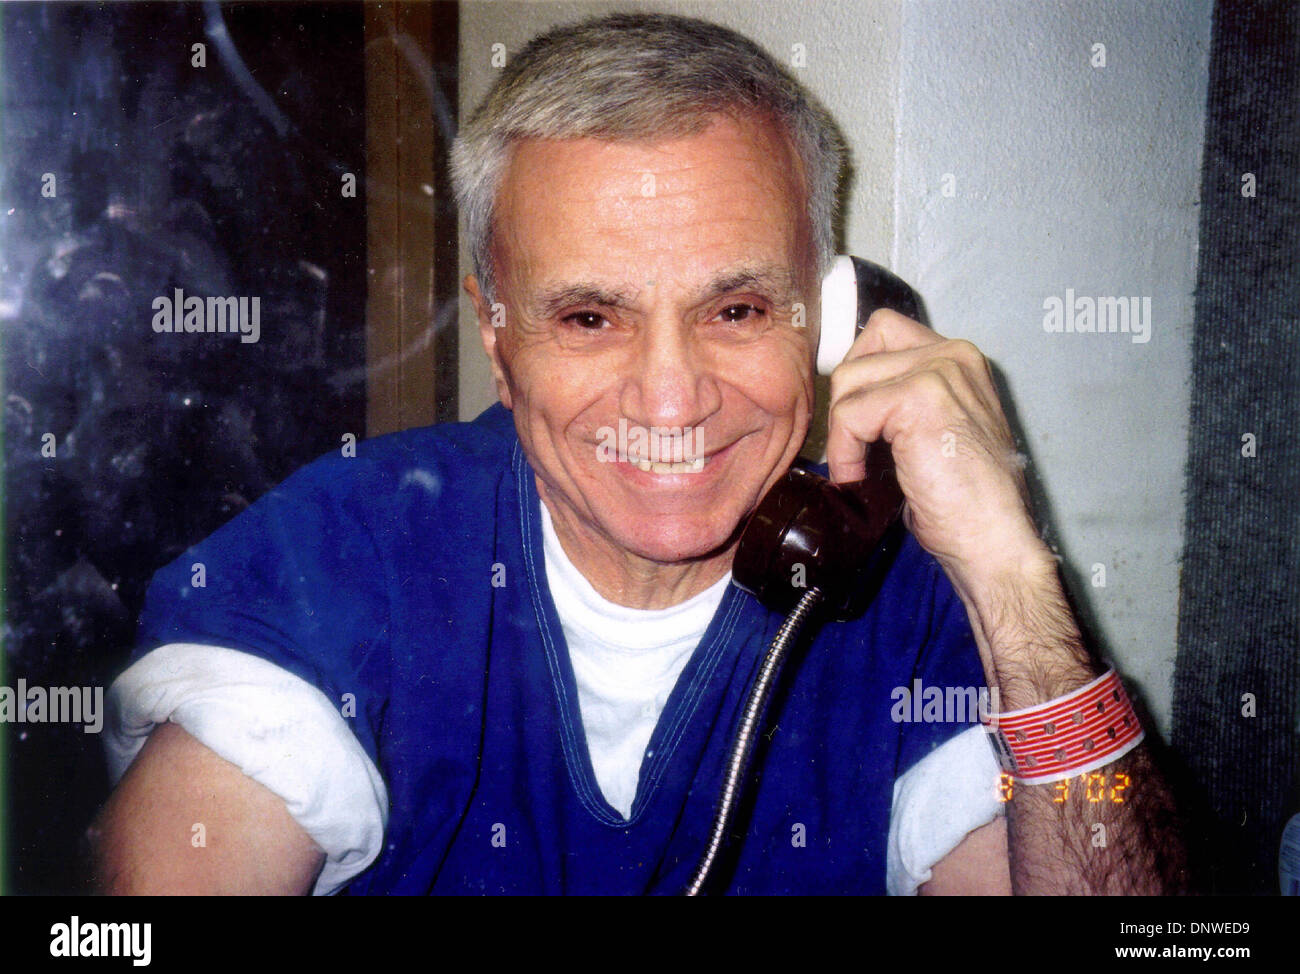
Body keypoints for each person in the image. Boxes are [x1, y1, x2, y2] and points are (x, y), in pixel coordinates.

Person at [90, 12, 1186, 895]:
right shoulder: (341, 551)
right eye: (588, 318)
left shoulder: (913, 598)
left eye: (740, 307)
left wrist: (1010, 571)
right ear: (495, 329)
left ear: (833, 316)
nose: (672, 397)